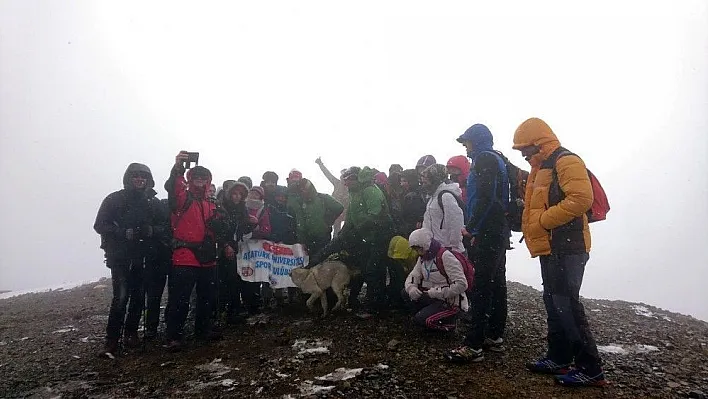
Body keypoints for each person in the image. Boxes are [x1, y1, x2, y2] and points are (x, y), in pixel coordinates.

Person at [512, 117, 606, 387]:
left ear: (537, 143)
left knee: (566, 304)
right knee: (554, 302)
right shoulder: (541, 166)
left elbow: (580, 199)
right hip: (552, 245)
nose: (523, 154)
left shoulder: (566, 161)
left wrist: (542, 221)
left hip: (569, 246)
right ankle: (560, 356)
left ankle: (591, 369)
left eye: (524, 148)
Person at [445, 123, 510, 363]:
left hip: (487, 231)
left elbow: (486, 197)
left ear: (477, 140)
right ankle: (494, 335)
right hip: (498, 231)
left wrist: (472, 228)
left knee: (482, 285)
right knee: (495, 282)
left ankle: (474, 345)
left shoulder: (484, 160)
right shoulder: (495, 158)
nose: (465, 146)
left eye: (467, 142)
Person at [93, 163, 163, 355]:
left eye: (143, 176)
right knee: (121, 297)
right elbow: (99, 225)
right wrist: (122, 233)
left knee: (139, 298)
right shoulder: (114, 199)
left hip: (143, 256)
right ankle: (112, 340)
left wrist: (151, 230)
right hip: (120, 258)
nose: (140, 180)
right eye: (136, 176)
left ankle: (131, 333)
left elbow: (164, 226)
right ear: (128, 178)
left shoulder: (152, 202)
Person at [164, 152, 221, 350]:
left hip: (207, 256)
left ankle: (202, 329)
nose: (200, 180)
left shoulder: (212, 204)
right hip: (185, 254)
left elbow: (220, 228)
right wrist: (178, 167)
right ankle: (174, 336)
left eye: (203, 177)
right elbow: (173, 186)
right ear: (190, 179)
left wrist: (221, 225)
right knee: (180, 298)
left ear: (208, 181)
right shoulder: (182, 199)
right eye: (196, 176)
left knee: (207, 297)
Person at [403, 229, 468, 331]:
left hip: (450, 301)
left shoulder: (445, 256)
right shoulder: (423, 258)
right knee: (406, 293)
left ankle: (449, 324)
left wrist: (437, 292)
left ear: (425, 245)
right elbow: (413, 276)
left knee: (423, 320)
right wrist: (411, 288)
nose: (418, 252)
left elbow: (462, 284)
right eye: (416, 249)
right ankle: (425, 316)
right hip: (432, 296)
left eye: (419, 249)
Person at [419, 164, 465, 253]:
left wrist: (454, 248)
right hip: (435, 249)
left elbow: (456, 222)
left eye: (426, 181)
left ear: (434, 180)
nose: (423, 185)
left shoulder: (445, 196)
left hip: (447, 249)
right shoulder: (433, 197)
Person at [315, 157, 349, 236]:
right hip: (336, 212)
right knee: (336, 230)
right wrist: (320, 164)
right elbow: (328, 174)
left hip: (346, 213)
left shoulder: (351, 187)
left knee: (345, 230)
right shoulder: (337, 183)